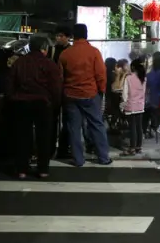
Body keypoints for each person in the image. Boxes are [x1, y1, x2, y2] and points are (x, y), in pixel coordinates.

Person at [7, 36, 62, 179]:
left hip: (21, 102)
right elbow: (56, 87)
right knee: (44, 137)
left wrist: (12, 97)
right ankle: (43, 169)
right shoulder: (49, 64)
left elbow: (11, 83)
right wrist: (55, 103)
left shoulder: (19, 62)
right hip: (43, 103)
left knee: (22, 136)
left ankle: (21, 169)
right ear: (44, 48)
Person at [59, 23, 112, 167]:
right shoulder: (94, 52)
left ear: (73, 36)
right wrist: (101, 91)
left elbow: (61, 77)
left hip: (70, 95)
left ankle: (78, 159)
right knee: (96, 125)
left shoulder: (65, 54)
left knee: (73, 128)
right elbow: (101, 74)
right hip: (90, 94)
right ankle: (103, 157)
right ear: (86, 34)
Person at [50, 26, 72, 159]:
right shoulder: (52, 50)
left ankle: (63, 148)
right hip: (54, 89)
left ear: (68, 37)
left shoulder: (70, 51)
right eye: (57, 36)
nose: (58, 38)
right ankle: (51, 148)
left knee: (67, 120)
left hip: (66, 88)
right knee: (52, 120)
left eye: (61, 36)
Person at [121, 58, 147, 156]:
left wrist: (123, 105)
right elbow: (143, 92)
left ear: (133, 67)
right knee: (139, 127)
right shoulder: (144, 78)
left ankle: (132, 148)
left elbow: (125, 94)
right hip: (140, 105)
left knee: (132, 127)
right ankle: (138, 147)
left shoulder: (129, 78)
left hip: (131, 105)